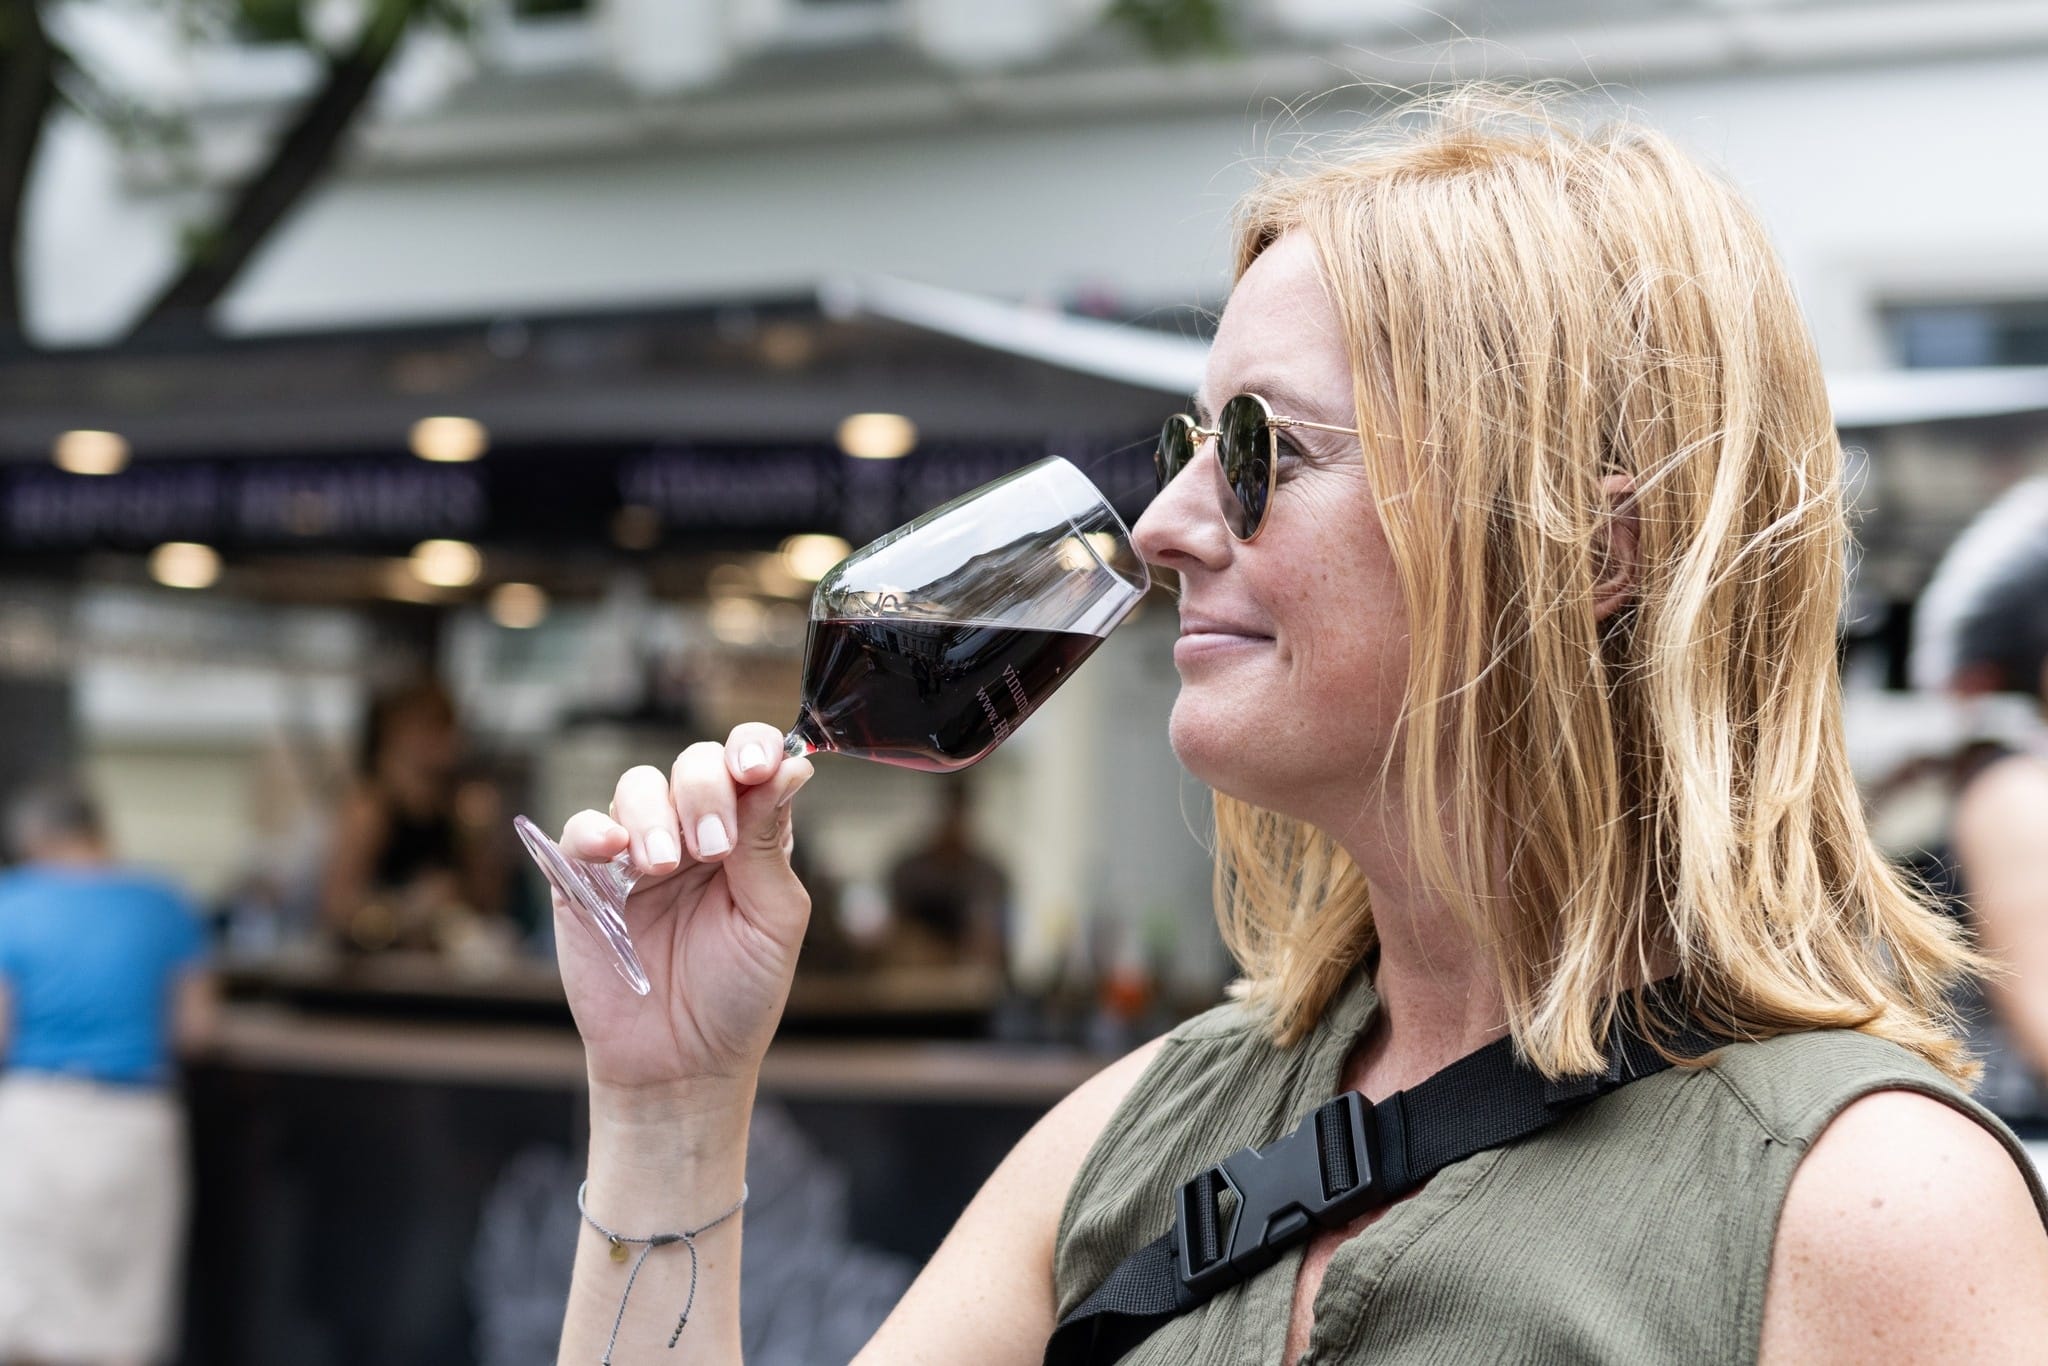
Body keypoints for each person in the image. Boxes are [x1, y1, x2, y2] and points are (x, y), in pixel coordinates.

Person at [548, 94, 2048, 1365]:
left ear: (1599, 548)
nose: (1166, 523)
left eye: (1263, 447)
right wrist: (671, 1097)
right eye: (1191, 446)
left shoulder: (1867, 1205)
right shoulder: (1146, 1126)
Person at [0, 778, 217, 1366]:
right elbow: (196, 1031)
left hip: (33, 1119)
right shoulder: (165, 902)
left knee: (26, 1323)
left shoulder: (10, 902)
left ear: (35, 840)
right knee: (125, 1325)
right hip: (136, 1124)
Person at [321, 679, 506, 953]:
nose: (450, 739)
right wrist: (405, 911)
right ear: (397, 732)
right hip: (375, 977)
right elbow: (336, 908)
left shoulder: (456, 805)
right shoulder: (370, 807)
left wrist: (478, 839)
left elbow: (487, 904)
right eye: (435, 726)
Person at [882, 779, 1010, 975]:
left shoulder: (989, 876)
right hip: (917, 979)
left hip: (970, 984)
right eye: (948, 809)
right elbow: (897, 937)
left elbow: (991, 947)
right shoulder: (909, 871)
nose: (953, 819)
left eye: (958, 810)